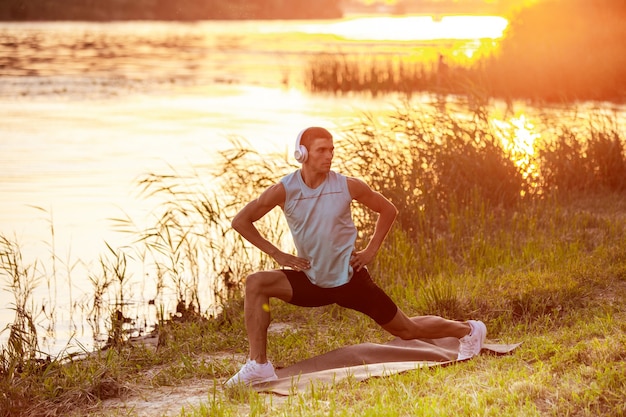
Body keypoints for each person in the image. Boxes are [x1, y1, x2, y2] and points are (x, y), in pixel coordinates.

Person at [225, 127, 486, 387]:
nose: (329, 156)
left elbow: (387, 209)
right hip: (311, 280)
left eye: (331, 150)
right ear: (302, 153)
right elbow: (242, 221)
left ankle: (468, 330)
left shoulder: (347, 185)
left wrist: (370, 250)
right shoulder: (284, 190)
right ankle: (259, 365)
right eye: (321, 150)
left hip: (350, 281)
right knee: (256, 283)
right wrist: (277, 253)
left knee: (406, 330)